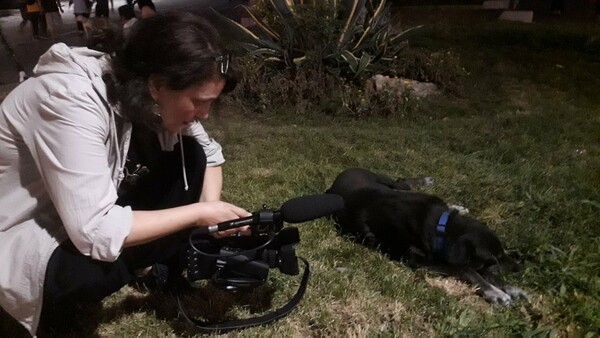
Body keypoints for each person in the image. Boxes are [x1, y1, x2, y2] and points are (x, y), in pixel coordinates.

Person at [0, 11, 248, 336]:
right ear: (158, 85)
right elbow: (94, 230)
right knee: (91, 266)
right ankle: (48, 303)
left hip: (71, 214)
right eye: (200, 102)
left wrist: (211, 219)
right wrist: (199, 214)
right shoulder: (68, 97)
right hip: (18, 230)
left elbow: (210, 153)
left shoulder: (138, 87)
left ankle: (160, 273)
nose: (205, 113)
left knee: (191, 155)